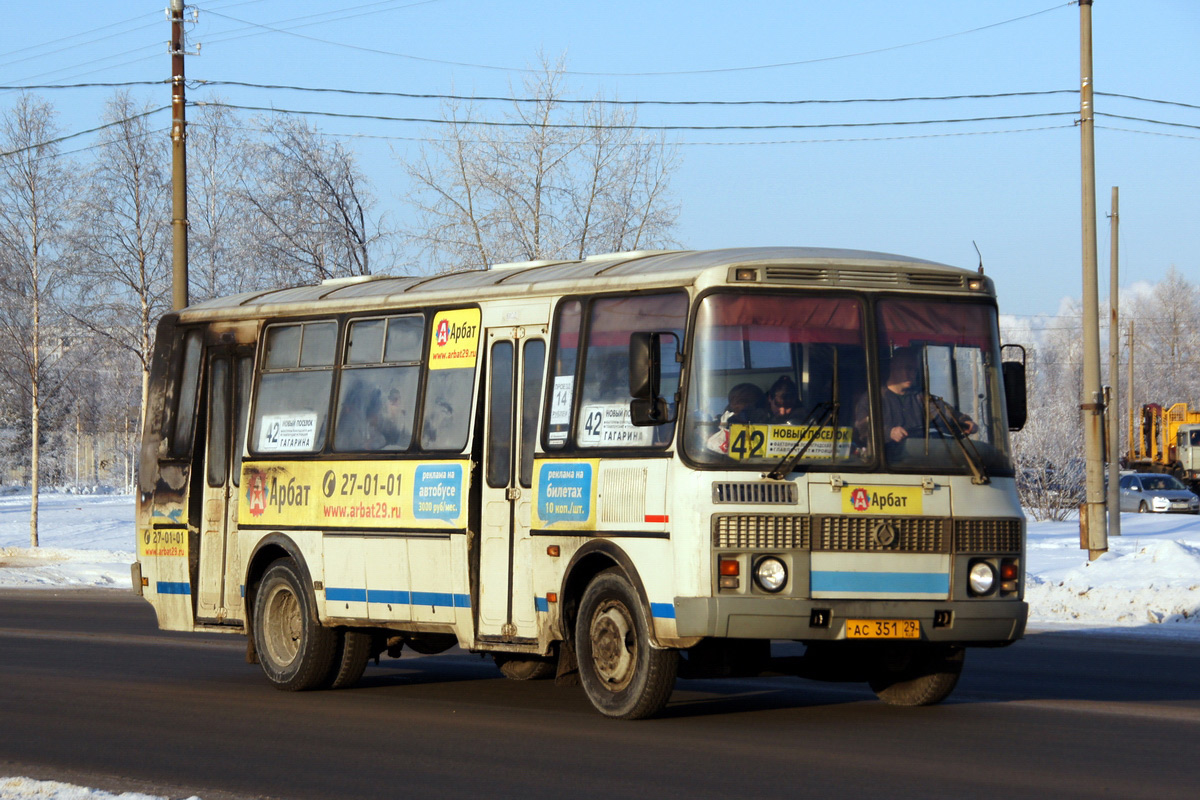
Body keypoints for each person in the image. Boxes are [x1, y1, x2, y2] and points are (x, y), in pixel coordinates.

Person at [855, 347, 976, 446]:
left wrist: (964, 421)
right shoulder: (873, 399)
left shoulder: (921, 398)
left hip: (919, 462)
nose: (911, 374)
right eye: (908, 368)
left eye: (914, 370)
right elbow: (862, 428)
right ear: (893, 367)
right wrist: (889, 432)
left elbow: (946, 414)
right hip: (888, 465)